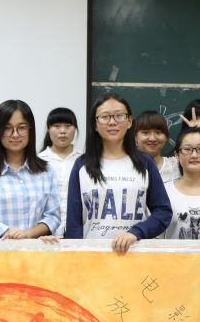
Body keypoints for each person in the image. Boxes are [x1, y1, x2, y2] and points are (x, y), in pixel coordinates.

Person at [65, 94, 171, 252]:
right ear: (95, 124)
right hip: (92, 257)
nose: (112, 122)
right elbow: (74, 223)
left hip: (135, 256)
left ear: (129, 121)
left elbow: (163, 212)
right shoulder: (82, 165)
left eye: (119, 115)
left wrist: (136, 232)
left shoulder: (145, 163)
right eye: (104, 117)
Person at [0, 100, 60, 239]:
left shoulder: (46, 170)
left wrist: (27, 234)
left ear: (30, 129)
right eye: (7, 128)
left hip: (36, 249)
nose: (15, 134)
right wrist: (12, 234)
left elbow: (53, 217)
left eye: (21, 127)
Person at [38, 107, 82, 236]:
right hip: (46, 233)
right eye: (56, 126)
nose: (62, 131)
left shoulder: (84, 160)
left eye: (68, 126)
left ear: (75, 129)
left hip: (79, 231)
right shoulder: (39, 161)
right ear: (48, 129)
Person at [135, 110, 180, 183]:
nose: (152, 138)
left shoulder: (178, 166)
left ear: (166, 137)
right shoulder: (124, 166)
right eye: (145, 133)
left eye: (158, 133)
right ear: (135, 137)